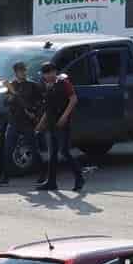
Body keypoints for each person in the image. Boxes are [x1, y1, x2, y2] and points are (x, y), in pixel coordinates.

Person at [35, 62, 85, 192]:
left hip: (63, 122)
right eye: (45, 73)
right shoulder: (45, 86)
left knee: (64, 151)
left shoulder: (63, 82)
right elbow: (48, 108)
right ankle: (51, 182)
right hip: (51, 123)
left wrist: (64, 116)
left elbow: (73, 99)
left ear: (54, 72)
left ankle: (79, 177)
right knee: (52, 154)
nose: (47, 76)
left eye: (50, 72)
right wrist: (41, 124)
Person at [0, 61, 42, 187]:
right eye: (19, 71)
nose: (22, 72)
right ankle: (5, 177)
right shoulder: (11, 85)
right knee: (8, 150)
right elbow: (6, 102)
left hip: (27, 122)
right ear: (16, 72)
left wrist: (34, 113)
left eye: (23, 70)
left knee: (34, 148)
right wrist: (11, 95)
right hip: (14, 121)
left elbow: (39, 102)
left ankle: (42, 174)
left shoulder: (32, 85)